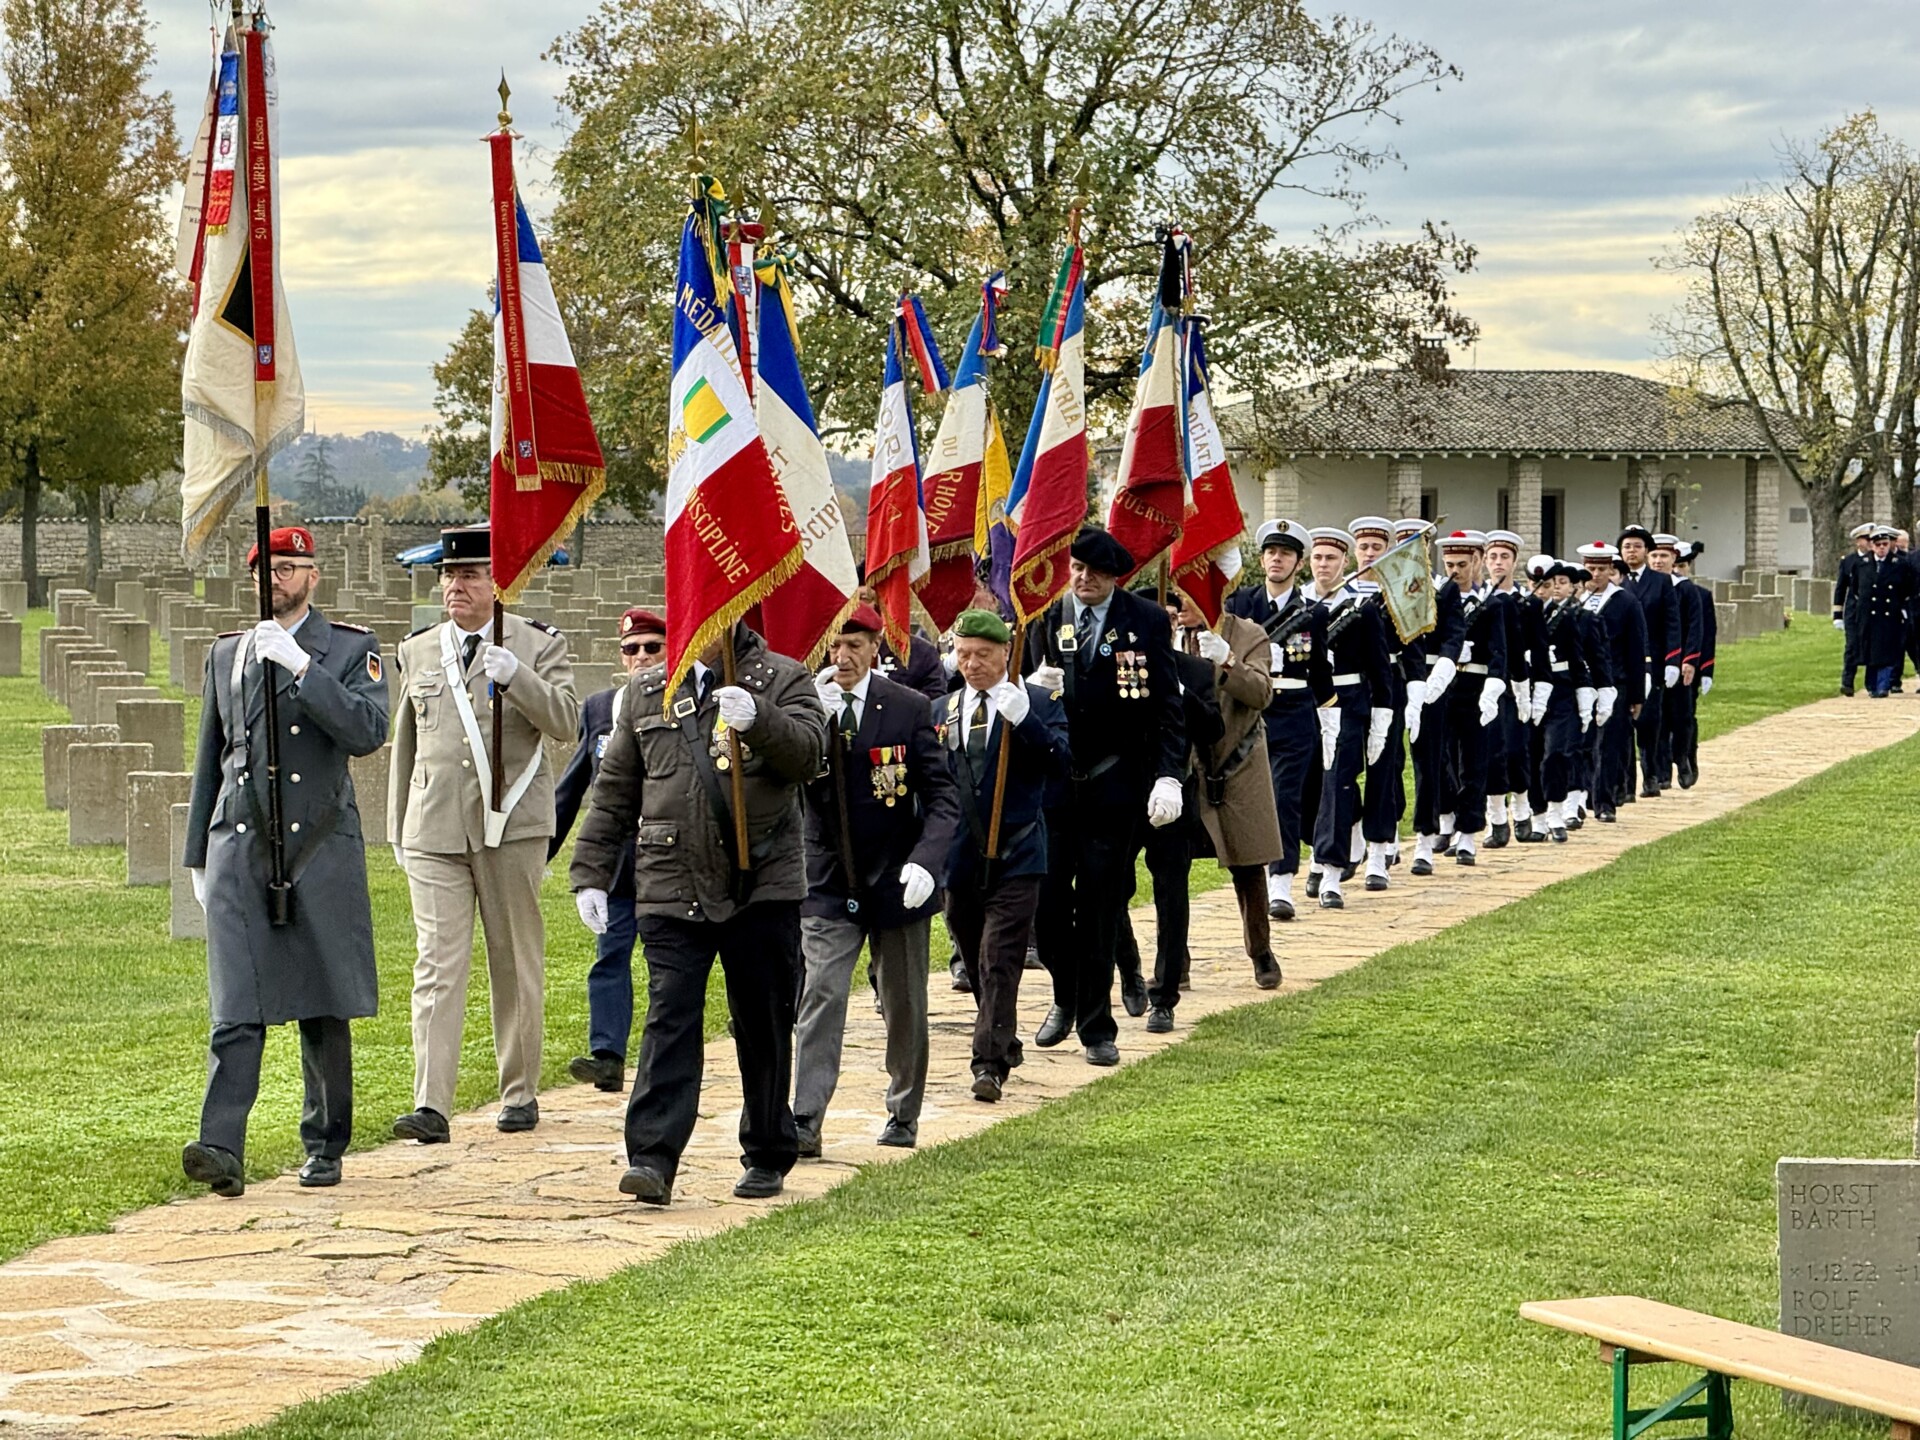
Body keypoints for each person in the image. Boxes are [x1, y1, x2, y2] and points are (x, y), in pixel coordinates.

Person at [571, 622, 827, 1205]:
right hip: (670, 878)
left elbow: (810, 758)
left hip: (760, 883)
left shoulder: (785, 678)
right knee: (670, 1017)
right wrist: (591, 872)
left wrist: (761, 720)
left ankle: (766, 1149)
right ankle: (653, 1158)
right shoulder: (646, 692)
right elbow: (615, 791)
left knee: (761, 1021)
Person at [180, 526, 389, 1197]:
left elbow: (366, 730)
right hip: (239, 842)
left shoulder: (352, 649)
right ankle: (221, 1146)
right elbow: (212, 757)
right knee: (236, 1001)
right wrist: (197, 857)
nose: (275, 579)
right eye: (265, 569)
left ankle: (325, 1142)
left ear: (313, 576)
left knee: (320, 1002)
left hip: (318, 844)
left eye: (289, 568)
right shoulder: (227, 653)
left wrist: (304, 670)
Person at [389, 525, 580, 1143]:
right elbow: (408, 745)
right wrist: (399, 827)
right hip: (436, 827)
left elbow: (567, 724)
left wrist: (518, 677)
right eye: (448, 576)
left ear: (500, 583)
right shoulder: (418, 650)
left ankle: (519, 1090)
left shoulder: (537, 645)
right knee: (437, 965)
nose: (454, 587)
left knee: (513, 958)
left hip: (512, 826)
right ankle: (431, 1103)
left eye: (468, 575)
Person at [792, 604, 960, 1153]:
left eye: (855, 646)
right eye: (835, 645)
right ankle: (806, 1117)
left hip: (896, 872)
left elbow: (941, 797)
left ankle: (903, 1109)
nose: (842, 656)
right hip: (829, 877)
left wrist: (926, 862)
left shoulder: (908, 707)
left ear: (875, 649)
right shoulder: (809, 706)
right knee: (821, 992)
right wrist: (813, 720)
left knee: (904, 999)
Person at [1025, 527, 1185, 1066]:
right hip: (1055, 784)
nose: (1082, 579)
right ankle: (1065, 996)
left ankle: (1096, 1026)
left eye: (1094, 572)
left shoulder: (1145, 620)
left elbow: (1167, 707)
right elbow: (1028, 701)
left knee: (1099, 907)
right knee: (1045, 908)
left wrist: (1169, 776)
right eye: (1076, 568)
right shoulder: (1049, 618)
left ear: (1116, 577)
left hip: (1114, 782)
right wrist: (1030, 688)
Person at [939, 608, 1070, 1101]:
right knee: (974, 959)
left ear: (1005, 654)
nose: (972, 664)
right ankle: (1001, 1033)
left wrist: (1027, 721)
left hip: (1018, 853)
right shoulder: (942, 710)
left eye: (984, 655)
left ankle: (987, 1063)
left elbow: (1061, 763)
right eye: (964, 654)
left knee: (1000, 959)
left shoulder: (1037, 701)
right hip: (960, 857)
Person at [549, 606, 666, 1092]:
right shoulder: (600, 708)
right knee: (610, 955)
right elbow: (577, 784)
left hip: (667, 859)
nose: (640, 657)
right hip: (617, 862)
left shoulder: (680, 701)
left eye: (651, 647)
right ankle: (607, 1055)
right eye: (631, 649)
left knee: (669, 966)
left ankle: (666, 1058)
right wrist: (543, 851)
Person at [1115, 584, 1224, 1031]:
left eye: (1171, 619)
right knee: (1110, 890)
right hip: (1120, 793)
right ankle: (1129, 969)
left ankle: (1165, 995)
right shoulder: (1120, 666)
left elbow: (1213, 729)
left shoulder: (1195, 670)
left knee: (1171, 894)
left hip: (1173, 791)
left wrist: (1181, 692)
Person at [1182, 588, 1284, 1002]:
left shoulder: (1248, 634)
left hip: (1236, 757)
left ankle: (1260, 951)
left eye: (1189, 598)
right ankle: (1174, 961)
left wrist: (1227, 659)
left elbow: (1261, 694)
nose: (1179, 607)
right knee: (1172, 867)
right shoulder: (1160, 631)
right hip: (1183, 765)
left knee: (1248, 862)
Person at [1226, 519, 1332, 918]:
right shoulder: (1241, 605)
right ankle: (1249, 875)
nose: (1276, 559)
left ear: (1298, 563)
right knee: (1247, 800)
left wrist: (1331, 716)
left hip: (1294, 713)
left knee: (1285, 798)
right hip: (1249, 712)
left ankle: (1281, 882)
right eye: (1271, 552)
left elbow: (1320, 671)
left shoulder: (1313, 614)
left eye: (1285, 553)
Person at [1302, 527, 1391, 906]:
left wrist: (1382, 715)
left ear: (1344, 563)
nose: (1324, 565)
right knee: (1307, 785)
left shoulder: (1362, 608)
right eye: (1318, 558)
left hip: (1346, 701)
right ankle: (1318, 847)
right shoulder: (1298, 605)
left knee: (1337, 781)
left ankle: (1330, 870)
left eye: (1331, 558)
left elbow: (1380, 667)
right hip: (1302, 702)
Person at [1433, 531, 1507, 865]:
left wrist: (1494, 685)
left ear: (1477, 561)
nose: (1455, 572)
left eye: (1462, 564)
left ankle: (1467, 833)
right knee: (1443, 759)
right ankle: (1446, 818)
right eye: (1449, 565)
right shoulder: (1437, 600)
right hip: (1444, 687)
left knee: (1474, 763)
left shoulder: (1491, 603)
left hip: (1476, 688)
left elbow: (1499, 651)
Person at [1398, 518, 1463, 876]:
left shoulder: (1444, 589)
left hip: (1431, 681)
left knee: (1429, 760)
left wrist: (1444, 669)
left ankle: (1425, 837)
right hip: (1394, 681)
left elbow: (1453, 633)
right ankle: (1385, 837)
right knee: (1390, 763)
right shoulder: (1384, 588)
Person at [1349, 517, 1410, 885]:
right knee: (1343, 769)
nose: (1370, 554)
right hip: (1349, 689)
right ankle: (1354, 836)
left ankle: (1379, 850)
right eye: (1364, 547)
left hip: (1388, 686)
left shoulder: (1400, 592)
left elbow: (1413, 645)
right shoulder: (1339, 593)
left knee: (1384, 769)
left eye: (1377, 547)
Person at [1517, 555, 1595, 842]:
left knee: (1556, 753)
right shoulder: (1519, 612)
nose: (1541, 590)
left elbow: (1577, 658)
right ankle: (1537, 816)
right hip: (1527, 690)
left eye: (1547, 585)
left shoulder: (1568, 617)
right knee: (1532, 753)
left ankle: (1555, 809)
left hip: (1560, 691)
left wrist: (1585, 691)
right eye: (1536, 584)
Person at [1576, 541, 1641, 821]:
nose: (1596, 574)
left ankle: (1605, 801)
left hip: (1615, 682)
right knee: (1581, 741)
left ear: (1611, 569)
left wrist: (1637, 694)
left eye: (1602, 569)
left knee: (1608, 743)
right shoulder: (1573, 601)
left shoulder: (1625, 601)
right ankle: (1581, 797)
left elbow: (1637, 648)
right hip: (1580, 682)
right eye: (1590, 569)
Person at [1481, 530, 1536, 846]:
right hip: (1487, 685)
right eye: (1493, 557)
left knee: (1516, 750)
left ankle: (1523, 807)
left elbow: (1534, 647)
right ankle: (1497, 819)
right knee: (1490, 754)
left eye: (1504, 557)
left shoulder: (1523, 603)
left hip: (1516, 685)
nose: (1498, 563)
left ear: (1515, 561)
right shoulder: (1480, 600)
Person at [1618, 524, 1681, 798]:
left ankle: (1651, 774)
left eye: (1637, 546)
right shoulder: (1616, 582)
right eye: (1627, 547)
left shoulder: (1661, 582)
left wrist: (1672, 660)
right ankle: (1626, 784)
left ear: (1646, 551)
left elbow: (1671, 623)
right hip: (1623, 662)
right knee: (1622, 723)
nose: (1632, 551)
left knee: (1649, 720)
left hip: (1652, 661)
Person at [1647, 535, 1701, 791]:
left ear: (1674, 559)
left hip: (1680, 664)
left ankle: (1682, 757)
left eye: (1663, 556)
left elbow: (1694, 628)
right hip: (1654, 662)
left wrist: (1688, 661)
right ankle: (1660, 771)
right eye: (1654, 556)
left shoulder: (1685, 589)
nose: (1658, 561)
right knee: (1656, 718)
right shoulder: (1645, 587)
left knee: (1680, 717)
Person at [1855, 526, 1916, 698]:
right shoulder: (1863, 564)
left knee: (1888, 651)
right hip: (1870, 615)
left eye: (1885, 544)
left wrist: (1901, 608)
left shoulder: (1899, 564)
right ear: (1872, 546)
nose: (1882, 547)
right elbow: (1856, 589)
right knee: (1871, 652)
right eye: (1878, 544)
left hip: (1890, 614)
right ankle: (1872, 684)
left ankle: (1883, 685)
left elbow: (1907, 588)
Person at [1673, 543, 1715, 787]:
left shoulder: (1700, 595)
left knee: (1685, 716)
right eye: (1674, 564)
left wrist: (1706, 668)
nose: (1677, 570)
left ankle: (1687, 756)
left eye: (1682, 565)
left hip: (1689, 665)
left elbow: (1707, 634)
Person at [1833, 522, 1874, 696]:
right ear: (1858, 541)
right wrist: (1837, 615)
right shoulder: (1848, 561)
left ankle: (1871, 683)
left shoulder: (1875, 560)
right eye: (1867, 539)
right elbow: (1841, 588)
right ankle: (1847, 682)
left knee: (1871, 645)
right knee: (1851, 646)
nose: (1870, 543)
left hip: (1871, 610)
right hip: (1853, 610)